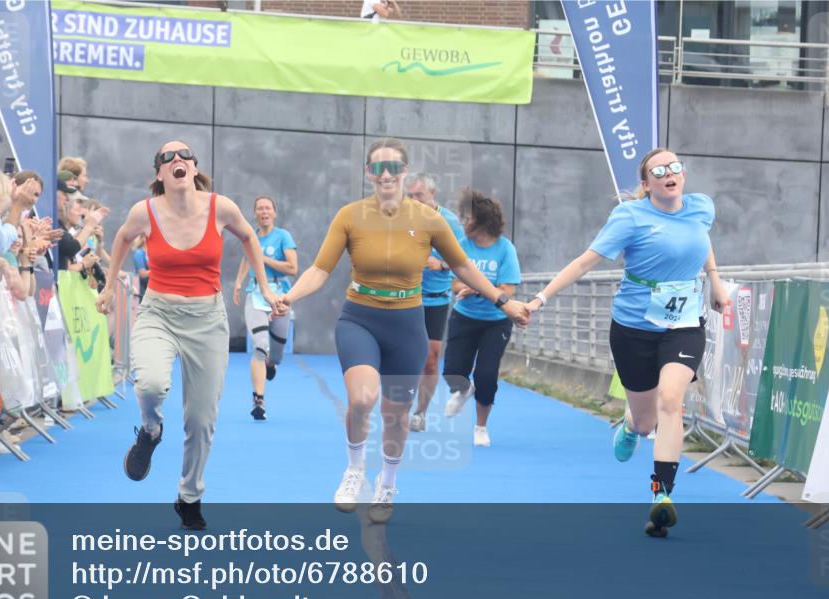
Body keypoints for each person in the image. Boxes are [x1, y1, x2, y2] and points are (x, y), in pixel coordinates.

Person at [276, 138, 528, 524]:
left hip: (408, 323)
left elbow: (464, 266)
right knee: (362, 399)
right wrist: (289, 297)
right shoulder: (350, 215)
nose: (386, 174)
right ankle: (355, 470)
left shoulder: (429, 220)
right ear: (368, 173)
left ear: (405, 171)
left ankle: (387, 484)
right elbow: (319, 269)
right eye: (378, 167)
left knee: (396, 415)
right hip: (360, 318)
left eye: (393, 166)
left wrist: (503, 301)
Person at [525, 148, 730, 537]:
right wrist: (540, 299)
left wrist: (715, 280)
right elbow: (584, 262)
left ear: (683, 175)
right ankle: (632, 426)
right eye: (659, 170)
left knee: (671, 400)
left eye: (674, 167)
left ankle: (661, 494)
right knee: (646, 418)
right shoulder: (630, 217)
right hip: (634, 327)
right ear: (646, 183)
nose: (669, 174)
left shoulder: (701, 207)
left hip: (684, 324)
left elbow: (701, 240)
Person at [96, 140, 278, 531]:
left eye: (185, 156)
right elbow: (122, 238)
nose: (177, 160)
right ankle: (151, 430)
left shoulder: (220, 207)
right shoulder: (144, 211)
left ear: (194, 168)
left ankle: (189, 496)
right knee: (150, 385)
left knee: (201, 419)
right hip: (158, 313)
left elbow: (249, 237)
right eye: (168, 157)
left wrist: (264, 286)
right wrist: (109, 286)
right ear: (160, 173)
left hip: (207, 320)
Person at [441, 189, 521, 447]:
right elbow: (454, 283)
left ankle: (481, 427)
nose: (462, 223)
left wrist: (476, 289)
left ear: (483, 222)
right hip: (464, 317)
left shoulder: (505, 249)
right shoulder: (462, 246)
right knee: (453, 373)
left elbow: (508, 290)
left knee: (486, 375)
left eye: (467, 219)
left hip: (495, 322)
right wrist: (463, 288)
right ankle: (464, 390)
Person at [403, 172, 465, 433]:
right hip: (405, 295)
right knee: (404, 356)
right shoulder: (400, 219)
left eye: (419, 195)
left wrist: (440, 264)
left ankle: (420, 412)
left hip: (435, 299)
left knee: (430, 359)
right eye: (410, 196)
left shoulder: (449, 222)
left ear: (432, 194)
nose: (414, 200)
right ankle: (400, 406)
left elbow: (464, 260)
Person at [232, 195, 297, 421]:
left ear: (274, 212)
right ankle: (258, 400)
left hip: (280, 296)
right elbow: (246, 259)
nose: (264, 212)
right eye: (260, 208)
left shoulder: (283, 236)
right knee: (259, 346)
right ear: (255, 213)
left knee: (276, 354)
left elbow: (293, 268)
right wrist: (238, 282)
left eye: (268, 208)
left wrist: (263, 260)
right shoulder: (251, 236)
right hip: (256, 295)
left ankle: (272, 363)